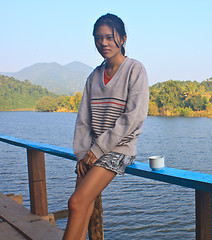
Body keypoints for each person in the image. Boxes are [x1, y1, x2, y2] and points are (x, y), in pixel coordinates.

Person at [63, 13, 149, 240]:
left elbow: (134, 116)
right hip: (91, 152)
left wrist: (97, 150)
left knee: (76, 202)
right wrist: (82, 154)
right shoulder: (94, 76)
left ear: (122, 38)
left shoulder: (135, 70)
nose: (103, 43)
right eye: (98, 38)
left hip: (117, 149)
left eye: (109, 38)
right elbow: (83, 119)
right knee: (83, 206)